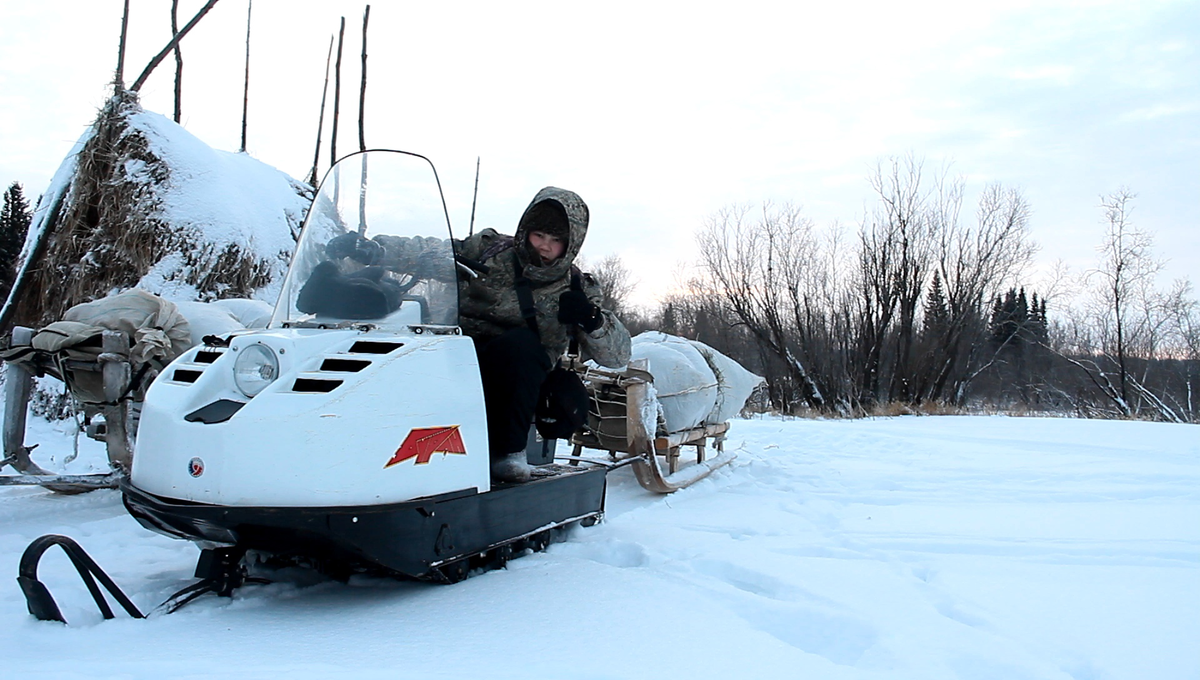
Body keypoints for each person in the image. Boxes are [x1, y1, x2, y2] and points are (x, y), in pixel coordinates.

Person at [456, 187, 631, 483]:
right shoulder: (487, 250)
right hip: (459, 352)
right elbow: (428, 252)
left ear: (570, 244)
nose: (544, 247)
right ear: (526, 231)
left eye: (555, 240)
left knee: (520, 345)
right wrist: (374, 249)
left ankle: (508, 454)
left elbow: (617, 356)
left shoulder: (577, 287)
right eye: (539, 236)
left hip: (518, 378)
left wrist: (591, 318)